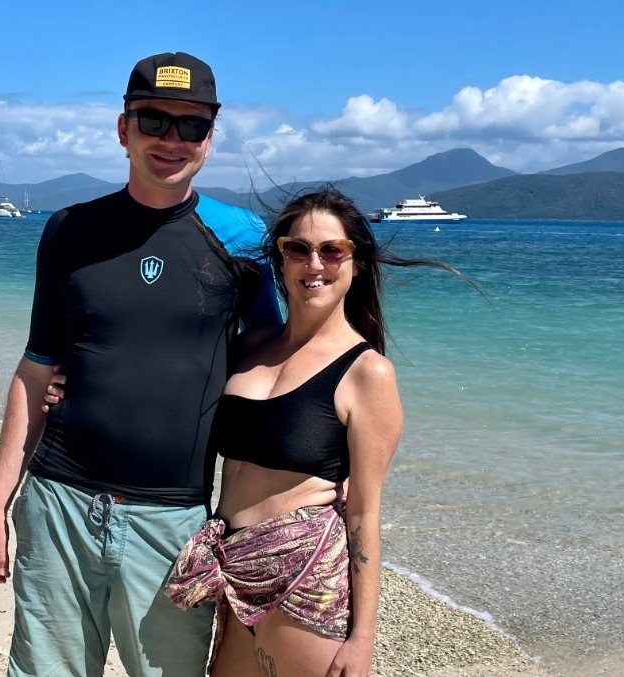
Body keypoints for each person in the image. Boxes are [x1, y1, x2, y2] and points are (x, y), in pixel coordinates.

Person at [0, 51, 281, 677]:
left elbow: (278, 370)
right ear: (123, 129)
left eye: (192, 125)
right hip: (58, 504)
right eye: (153, 120)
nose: (172, 139)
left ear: (210, 138)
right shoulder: (69, 230)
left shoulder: (245, 239)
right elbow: (35, 371)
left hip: (173, 519)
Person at [162, 187, 469, 677]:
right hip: (232, 566)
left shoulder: (367, 373)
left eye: (332, 250)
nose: (314, 264)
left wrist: (362, 639)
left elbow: (364, 512)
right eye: (298, 249)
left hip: (303, 577)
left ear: (356, 263)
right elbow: (174, 389)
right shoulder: (250, 346)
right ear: (280, 259)